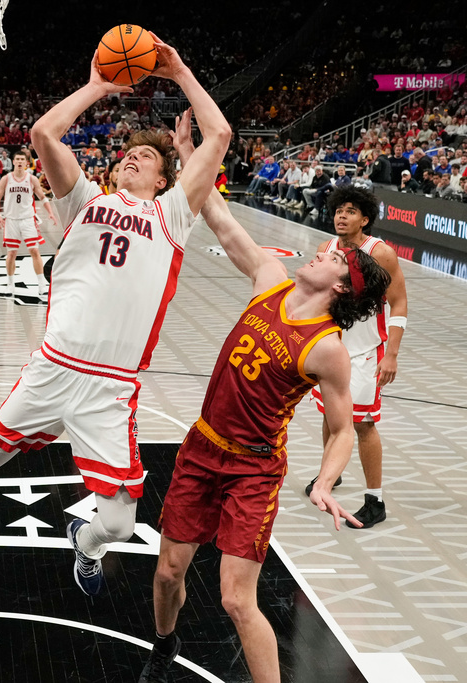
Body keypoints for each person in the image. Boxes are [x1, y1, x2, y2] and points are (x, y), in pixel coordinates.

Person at [0, 37, 232, 596]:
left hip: (109, 387)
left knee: (121, 525)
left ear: (163, 179)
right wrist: (99, 86)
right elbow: (42, 135)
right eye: (129, 152)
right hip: (54, 367)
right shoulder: (85, 200)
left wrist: (181, 74)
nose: (133, 157)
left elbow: (219, 136)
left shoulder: (174, 213)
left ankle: (86, 542)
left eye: (147, 157)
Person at [138, 156, 391, 683]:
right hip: (202, 447)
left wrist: (325, 480)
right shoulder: (270, 280)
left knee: (236, 599)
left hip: (254, 470)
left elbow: (343, 428)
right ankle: (164, 642)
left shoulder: (327, 349)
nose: (323, 251)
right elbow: (221, 219)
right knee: (167, 574)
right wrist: (192, 158)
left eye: (334, 256)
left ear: (343, 285)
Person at [302, 185, 408, 529]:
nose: (341, 217)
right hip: (331, 349)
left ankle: (375, 500)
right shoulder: (326, 249)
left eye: (349, 211)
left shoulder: (381, 253)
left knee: (362, 425)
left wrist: (391, 354)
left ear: (365, 218)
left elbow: (400, 303)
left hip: (365, 352)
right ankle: (330, 475)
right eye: (337, 211)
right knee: (329, 415)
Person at [0, 150, 53, 299]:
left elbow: (42, 196)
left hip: (28, 220)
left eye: (22, 159)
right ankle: (10, 284)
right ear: (13, 162)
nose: (20, 162)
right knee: (11, 253)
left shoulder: (32, 179)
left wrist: (50, 212)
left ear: (27, 163)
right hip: (11, 220)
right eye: (17, 159)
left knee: (34, 251)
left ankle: (41, 285)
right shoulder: (6, 179)